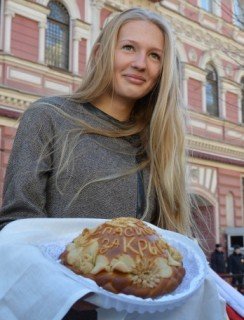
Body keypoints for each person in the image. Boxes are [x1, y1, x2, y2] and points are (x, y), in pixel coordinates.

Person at [0, 8, 194, 320]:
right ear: (100, 53)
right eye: (128, 47)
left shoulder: (159, 142)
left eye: (155, 55)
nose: (141, 64)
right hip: (60, 310)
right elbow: (16, 227)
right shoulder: (48, 117)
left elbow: (167, 245)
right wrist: (71, 289)